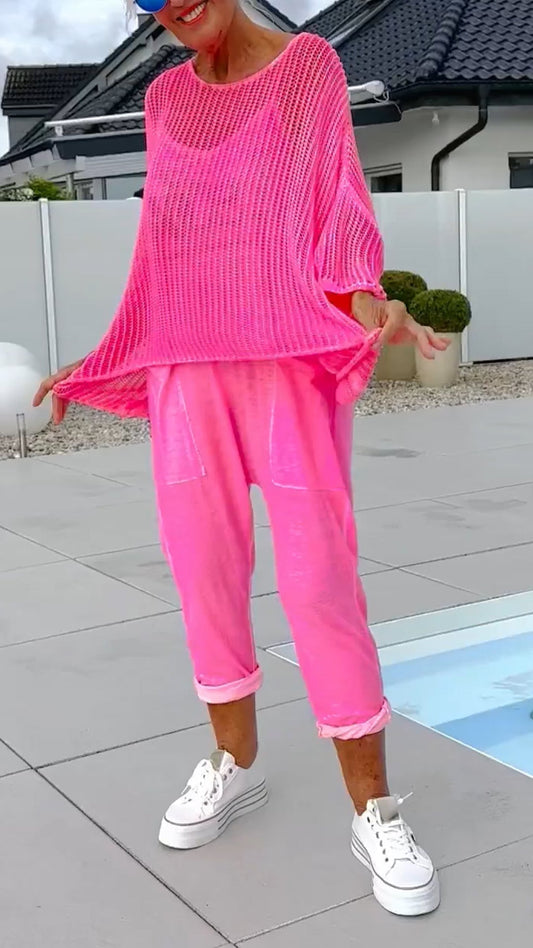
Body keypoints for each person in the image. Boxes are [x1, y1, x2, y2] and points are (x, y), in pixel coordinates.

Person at [34, 0, 449, 916]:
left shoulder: (307, 69)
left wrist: (367, 300)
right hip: (188, 368)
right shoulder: (163, 98)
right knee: (203, 572)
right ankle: (235, 761)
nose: (173, 5)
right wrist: (108, 354)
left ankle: (374, 810)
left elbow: (336, 204)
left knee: (318, 580)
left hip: (288, 363)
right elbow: (166, 246)